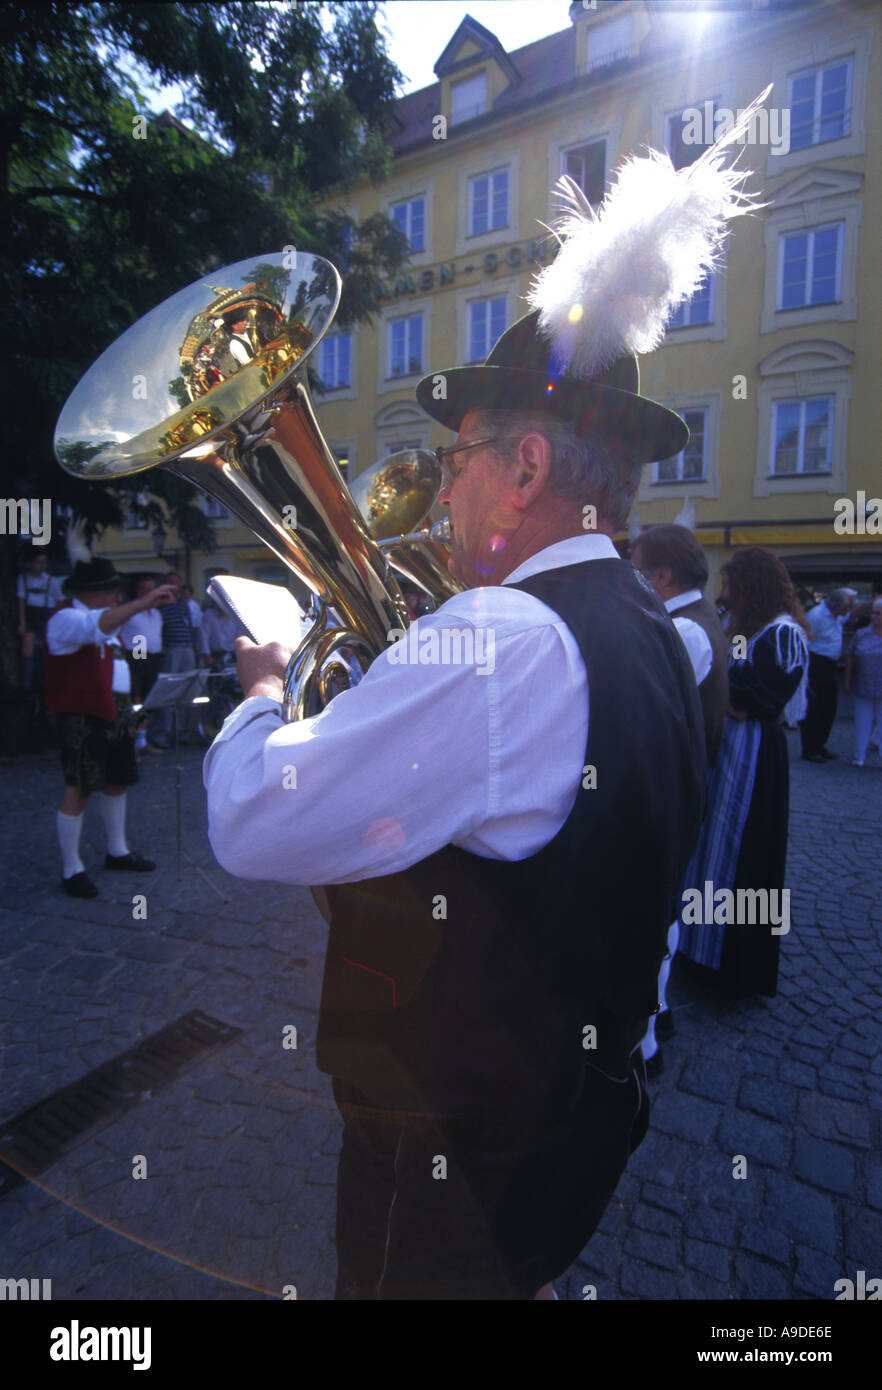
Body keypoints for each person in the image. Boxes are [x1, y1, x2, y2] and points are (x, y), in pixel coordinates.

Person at [202, 94, 773, 1297]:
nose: (442, 493)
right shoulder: (666, 636)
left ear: (523, 468)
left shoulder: (503, 638)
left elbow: (252, 816)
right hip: (575, 1128)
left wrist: (262, 687)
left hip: (451, 1166)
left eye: (457, 462)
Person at [678, 547, 810, 999]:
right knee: (711, 852)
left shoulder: (784, 634)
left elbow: (746, 701)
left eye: (732, 586)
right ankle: (700, 949)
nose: (725, 595)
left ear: (753, 588)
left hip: (755, 758)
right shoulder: (747, 631)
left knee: (741, 855)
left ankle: (732, 963)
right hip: (733, 751)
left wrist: (722, 691)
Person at [630, 524, 730, 1077]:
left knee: (655, 910)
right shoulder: (690, 621)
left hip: (668, 788)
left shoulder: (687, 632)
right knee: (658, 906)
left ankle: (646, 1041)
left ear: (661, 577)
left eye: (637, 569)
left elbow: (646, 715)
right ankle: (656, 1016)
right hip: (673, 782)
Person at [44, 556, 175, 897]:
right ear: (93, 593)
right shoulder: (65, 619)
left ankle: (117, 851)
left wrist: (133, 709)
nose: (117, 596)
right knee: (80, 789)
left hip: (115, 712)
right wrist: (144, 602)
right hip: (81, 715)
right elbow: (96, 627)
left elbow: (117, 662)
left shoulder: (104, 622)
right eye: (111, 590)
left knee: (119, 781)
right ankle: (71, 868)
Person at [799, 587, 856, 763]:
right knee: (816, 708)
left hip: (829, 664)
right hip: (817, 663)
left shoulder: (837, 615)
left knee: (829, 707)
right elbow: (804, 641)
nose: (849, 611)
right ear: (838, 606)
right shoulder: (816, 616)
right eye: (848, 607)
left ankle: (820, 745)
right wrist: (805, 673)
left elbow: (851, 615)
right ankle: (810, 748)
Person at [153, 571, 200, 747]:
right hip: (168, 651)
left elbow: (191, 627)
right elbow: (141, 636)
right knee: (167, 691)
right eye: (170, 582)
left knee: (187, 692)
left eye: (177, 583)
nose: (174, 587)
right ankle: (161, 734)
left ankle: (180, 733)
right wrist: (139, 657)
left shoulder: (184, 605)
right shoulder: (157, 605)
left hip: (187, 650)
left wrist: (195, 648)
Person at [118, 573, 164, 754]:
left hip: (153, 656)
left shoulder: (157, 613)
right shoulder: (130, 610)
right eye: (144, 589)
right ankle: (131, 741)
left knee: (146, 699)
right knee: (135, 698)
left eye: (151, 589)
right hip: (136, 655)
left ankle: (142, 741)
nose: (148, 592)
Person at [16, 546, 63, 696]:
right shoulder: (23, 579)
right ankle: (27, 684)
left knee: (48, 646)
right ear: (29, 563)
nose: (41, 566)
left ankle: (48, 681)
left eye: (44, 563)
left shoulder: (52, 581)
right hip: (31, 616)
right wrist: (22, 622)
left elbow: (59, 603)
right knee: (28, 643)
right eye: (38, 562)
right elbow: (21, 601)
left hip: (47, 616)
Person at [844, 596, 882, 767]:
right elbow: (850, 657)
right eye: (873, 613)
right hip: (863, 685)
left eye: (878, 614)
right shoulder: (862, 634)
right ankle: (859, 756)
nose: (874, 617)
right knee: (862, 722)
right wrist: (847, 680)